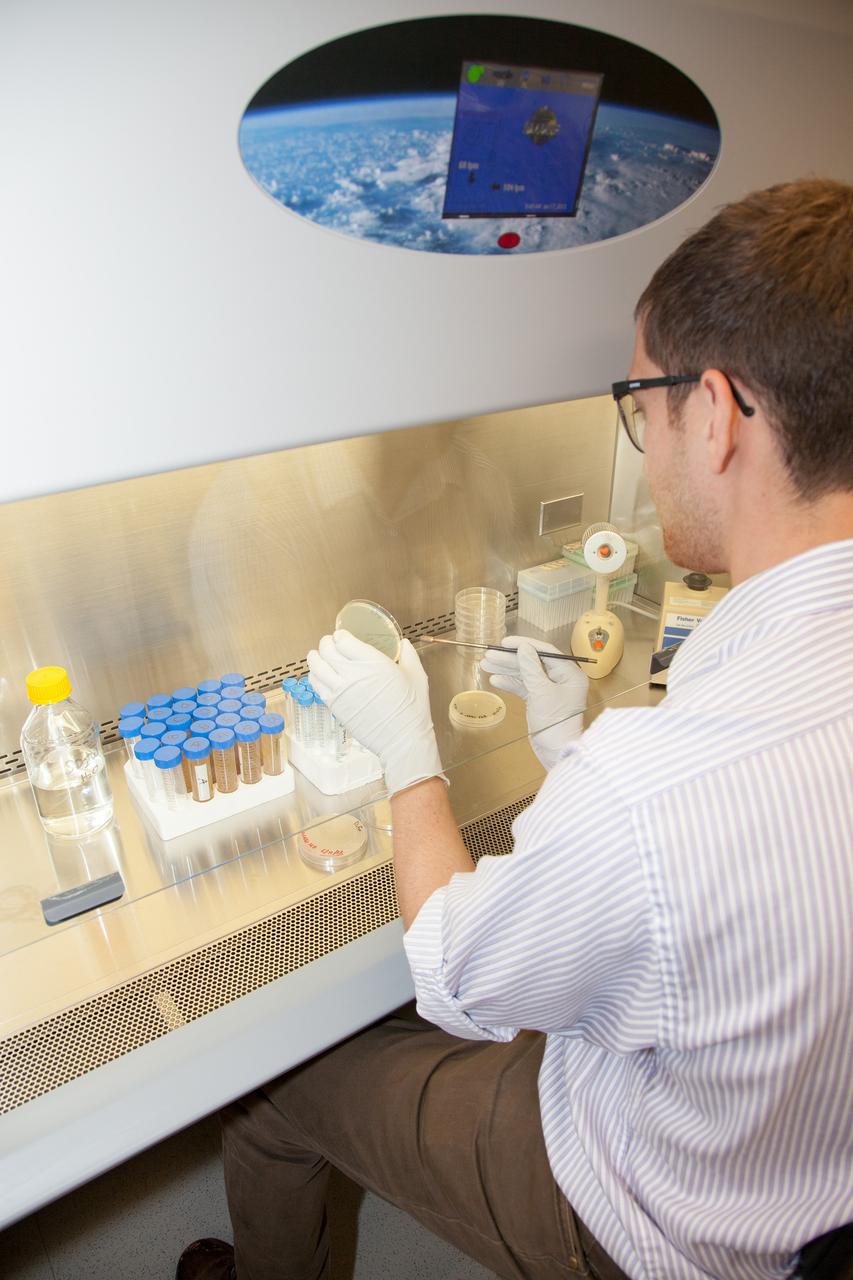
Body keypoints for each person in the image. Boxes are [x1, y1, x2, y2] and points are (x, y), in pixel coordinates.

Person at [177, 178, 853, 1280]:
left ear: (718, 414)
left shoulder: (653, 789)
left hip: (657, 1215)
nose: (645, 435)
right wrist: (572, 746)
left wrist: (409, 760)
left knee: (272, 1085)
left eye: (647, 401)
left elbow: (457, 969)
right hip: (808, 1171)